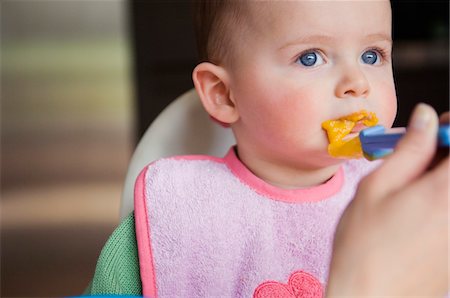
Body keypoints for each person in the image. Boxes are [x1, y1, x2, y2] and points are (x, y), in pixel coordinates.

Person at [85, 1, 448, 296]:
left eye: (372, 55)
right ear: (224, 94)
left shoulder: (407, 193)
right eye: (310, 57)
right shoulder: (178, 214)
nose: (357, 83)